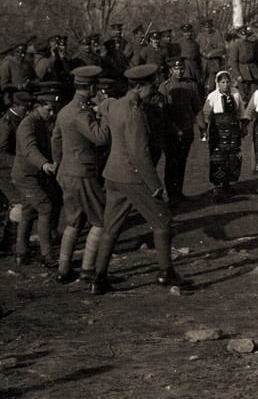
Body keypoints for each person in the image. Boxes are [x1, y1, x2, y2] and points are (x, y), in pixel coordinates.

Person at [88, 64, 186, 295]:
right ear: (140, 87)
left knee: (111, 227)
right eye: (151, 86)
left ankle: (99, 277)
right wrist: (155, 186)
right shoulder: (135, 112)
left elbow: (101, 107)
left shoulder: (116, 104)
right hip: (132, 176)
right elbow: (139, 154)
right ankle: (165, 272)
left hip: (113, 174)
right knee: (162, 220)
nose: (153, 91)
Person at [51, 66, 110, 283]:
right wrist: (103, 112)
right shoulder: (81, 112)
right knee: (101, 220)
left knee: (73, 221)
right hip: (82, 173)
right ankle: (87, 270)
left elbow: (55, 140)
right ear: (92, 87)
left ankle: (63, 270)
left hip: (67, 171)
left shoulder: (65, 110)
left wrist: (59, 162)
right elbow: (100, 138)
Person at [12, 87, 61, 267]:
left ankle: (21, 252)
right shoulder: (28, 124)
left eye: (53, 109)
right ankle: (47, 255)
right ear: (37, 106)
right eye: (48, 109)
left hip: (33, 174)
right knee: (45, 207)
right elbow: (29, 149)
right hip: (26, 176)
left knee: (28, 211)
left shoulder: (41, 122)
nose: (52, 113)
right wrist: (44, 164)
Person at [158, 59, 203, 206]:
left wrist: (202, 127)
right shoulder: (164, 87)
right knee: (172, 163)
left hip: (187, 130)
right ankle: (172, 195)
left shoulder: (191, 85)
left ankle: (179, 192)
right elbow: (162, 113)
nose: (179, 71)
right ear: (170, 71)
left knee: (182, 161)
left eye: (181, 69)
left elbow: (197, 108)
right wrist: (173, 129)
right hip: (170, 132)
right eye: (176, 69)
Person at [198, 70, 247, 202]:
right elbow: (206, 114)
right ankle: (216, 188)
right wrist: (205, 131)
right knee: (218, 158)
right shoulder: (212, 96)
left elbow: (241, 110)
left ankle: (227, 184)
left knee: (232, 157)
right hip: (218, 131)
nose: (226, 85)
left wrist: (243, 126)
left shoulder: (236, 93)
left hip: (233, 130)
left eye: (227, 82)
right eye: (222, 82)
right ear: (218, 83)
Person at [0, 91, 33, 254]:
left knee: (22, 205)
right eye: (24, 107)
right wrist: (19, 161)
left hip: (15, 170)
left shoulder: (18, 119)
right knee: (20, 205)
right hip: (4, 172)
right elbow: (1, 152)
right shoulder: (7, 123)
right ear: (16, 106)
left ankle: (11, 242)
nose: (27, 111)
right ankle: (10, 242)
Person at [228, 26, 258, 102]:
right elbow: (233, 62)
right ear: (239, 35)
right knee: (243, 95)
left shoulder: (252, 44)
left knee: (255, 93)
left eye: (246, 35)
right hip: (242, 71)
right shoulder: (236, 45)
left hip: (253, 71)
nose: (244, 37)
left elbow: (257, 59)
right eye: (242, 35)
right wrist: (238, 75)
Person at [197, 18, 227, 92]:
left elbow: (222, 49)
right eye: (206, 27)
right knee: (201, 84)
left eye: (209, 27)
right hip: (203, 64)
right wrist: (202, 53)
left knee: (212, 86)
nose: (207, 29)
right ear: (203, 28)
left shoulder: (217, 35)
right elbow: (196, 47)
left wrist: (212, 53)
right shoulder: (200, 36)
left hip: (214, 64)